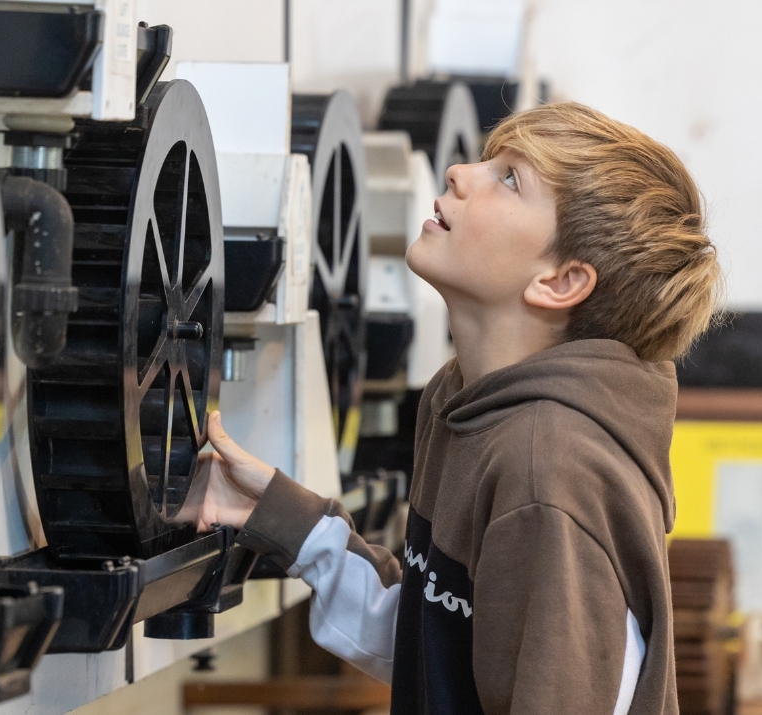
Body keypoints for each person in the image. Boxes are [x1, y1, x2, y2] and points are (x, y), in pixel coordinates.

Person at [194, 102, 723, 715]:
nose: (458, 173)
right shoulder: (467, 402)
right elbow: (440, 648)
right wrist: (283, 518)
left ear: (559, 281)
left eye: (510, 179)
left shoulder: (546, 470)